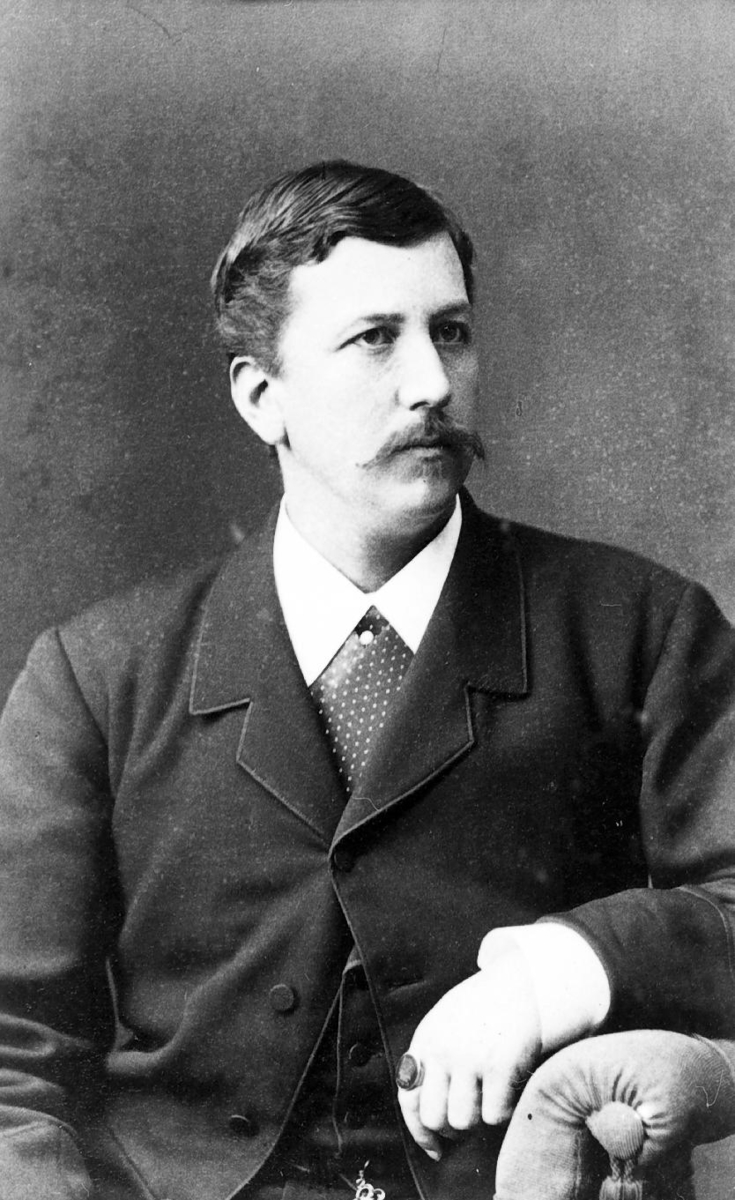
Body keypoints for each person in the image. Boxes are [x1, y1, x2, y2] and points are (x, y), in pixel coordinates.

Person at [1, 160, 734, 1200]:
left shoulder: (640, 628)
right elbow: (11, 1054)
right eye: (374, 338)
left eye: (452, 332)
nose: (432, 383)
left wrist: (557, 974)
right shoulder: (97, 676)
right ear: (261, 397)